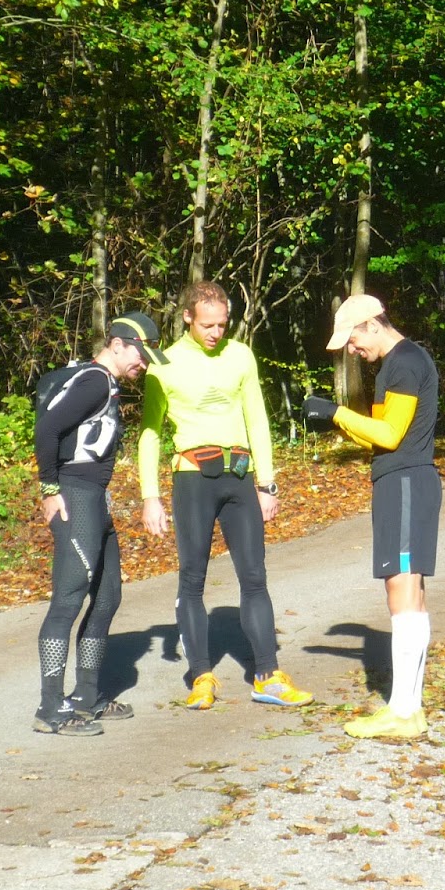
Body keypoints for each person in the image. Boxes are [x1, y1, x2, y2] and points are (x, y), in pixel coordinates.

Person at [139, 281, 312, 710]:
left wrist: (267, 483)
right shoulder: (165, 363)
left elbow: (258, 418)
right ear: (187, 318)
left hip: (239, 477)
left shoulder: (240, 355)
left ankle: (267, 675)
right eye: (208, 325)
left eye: (222, 324)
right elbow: (148, 433)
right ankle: (201, 675)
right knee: (192, 579)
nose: (216, 332)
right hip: (193, 479)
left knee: (254, 577)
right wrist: (150, 495)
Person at [305, 293, 442, 740]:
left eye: (352, 339)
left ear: (373, 325)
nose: (351, 350)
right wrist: (337, 422)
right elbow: (381, 440)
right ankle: (410, 708)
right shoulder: (398, 362)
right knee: (411, 596)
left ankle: (403, 712)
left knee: (402, 595)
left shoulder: (402, 363)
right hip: (403, 482)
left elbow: (389, 433)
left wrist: (337, 411)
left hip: (405, 485)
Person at [32, 311, 169, 736]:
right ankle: (51, 708)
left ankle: (86, 695)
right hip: (75, 498)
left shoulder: (106, 386)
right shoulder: (92, 380)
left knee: (107, 596)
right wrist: (49, 489)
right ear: (117, 343)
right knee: (69, 600)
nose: (143, 365)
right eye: (140, 355)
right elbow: (47, 429)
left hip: (97, 501)